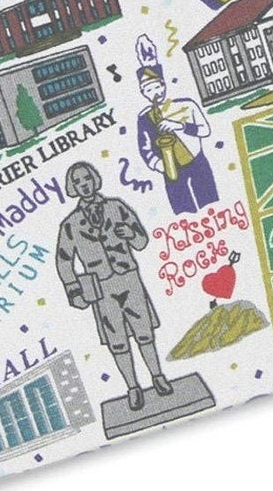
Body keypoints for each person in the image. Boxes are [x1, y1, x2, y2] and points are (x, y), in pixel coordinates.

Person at [54, 161, 172, 411]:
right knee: (117, 340)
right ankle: (133, 387)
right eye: (77, 182)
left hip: (128, 277)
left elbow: (141, 241)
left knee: (144, 332)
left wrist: (129, 233)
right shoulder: (71, 224)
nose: (84, 185)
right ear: (72, 187)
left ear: (95, 179)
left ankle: (157, 376)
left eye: (87, 179)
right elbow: (64, 261)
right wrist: (74, 291)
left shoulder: (116, 207)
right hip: (100, 288)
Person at [132, 33, 217, 214]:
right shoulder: (144, 118)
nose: (154, 93)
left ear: (164, 85)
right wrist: (160, 165)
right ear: (143, 93)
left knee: (211, 204)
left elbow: (205, 130)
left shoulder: (186, 104)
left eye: (157, 86)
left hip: (197, 160)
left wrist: (180, 126)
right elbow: (145, 149)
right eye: (148, 89)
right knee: (183, 212)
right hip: (170, 168)